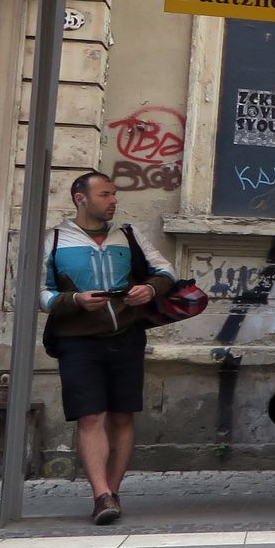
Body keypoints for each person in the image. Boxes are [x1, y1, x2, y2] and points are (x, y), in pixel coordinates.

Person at [41, 170, 176, 526]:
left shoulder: (129, 235)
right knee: (90, 416)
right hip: (77, 340)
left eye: (114, 194)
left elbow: (165, 271)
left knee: (121, 416)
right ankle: (100, 494)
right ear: (79, 198)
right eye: (105, 194)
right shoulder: (54, 240)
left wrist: (150, 289)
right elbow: (38, 291)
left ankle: (111, 493)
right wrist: (72, 299)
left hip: (126, 336)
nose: (114, 200)